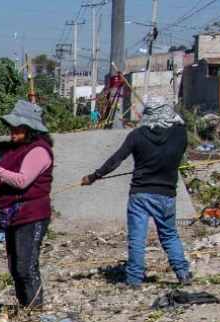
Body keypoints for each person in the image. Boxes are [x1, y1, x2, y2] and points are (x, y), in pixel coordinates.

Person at [81, 97, 193, 287]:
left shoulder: (137, 135)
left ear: (147, 114)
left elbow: (116, 159)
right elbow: (178, 150)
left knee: (137, 238)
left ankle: (134, 280)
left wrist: (94, 176)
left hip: (140, 194)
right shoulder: (180, 134)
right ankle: (182, 273)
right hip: (166, 194)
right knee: (169, 235)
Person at [0, 100, 55, 309]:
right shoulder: (16, 150)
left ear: (30, 129)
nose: (12, 132)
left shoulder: (39, 151)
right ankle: (25, 306)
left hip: (31, 214)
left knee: (26, 266)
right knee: (15, 266)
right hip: (14, 215)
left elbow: (22, 180)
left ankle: (34, 309)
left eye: (17, 129)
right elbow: (0, 177)